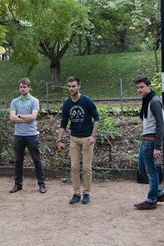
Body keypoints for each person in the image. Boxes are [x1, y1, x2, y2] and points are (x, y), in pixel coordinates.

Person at [56, 76, 100, 205]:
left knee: (86, 168)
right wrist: (59, 139)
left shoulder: (86, 101)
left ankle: (86, 193)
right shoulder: (67, 104)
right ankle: (76, 193)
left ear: (79, 86)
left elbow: (96, 118)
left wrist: (93, 136)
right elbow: (63, 123)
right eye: (69, 86)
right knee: (74, 167)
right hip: (74, 138)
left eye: (73, 86)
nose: (71, 88)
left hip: (87, 138)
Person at [133, 76, 164, 210]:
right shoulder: (147, 100)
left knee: (151, 171)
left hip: (151, 141)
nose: (139, 90)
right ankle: (159, 193)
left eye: (142, 87)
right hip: (145, 140)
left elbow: (160, 125)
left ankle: (151, 200)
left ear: (148, 86)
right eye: (138, 88)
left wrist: (158, 146)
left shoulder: (154, 101)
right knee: (142, 169)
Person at [8, 78, 46, 194]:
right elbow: (12, 118)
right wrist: (26, 118)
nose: (22, 89)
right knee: (18, 160)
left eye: (25, 87)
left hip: (32, 135)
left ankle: (42, 184)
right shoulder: (14, 101)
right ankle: (18, 184)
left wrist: (19, 116)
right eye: (21, 87)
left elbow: (33, 117)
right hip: (18, 135)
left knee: (37, 160)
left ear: (29, 87)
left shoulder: (34, 101)